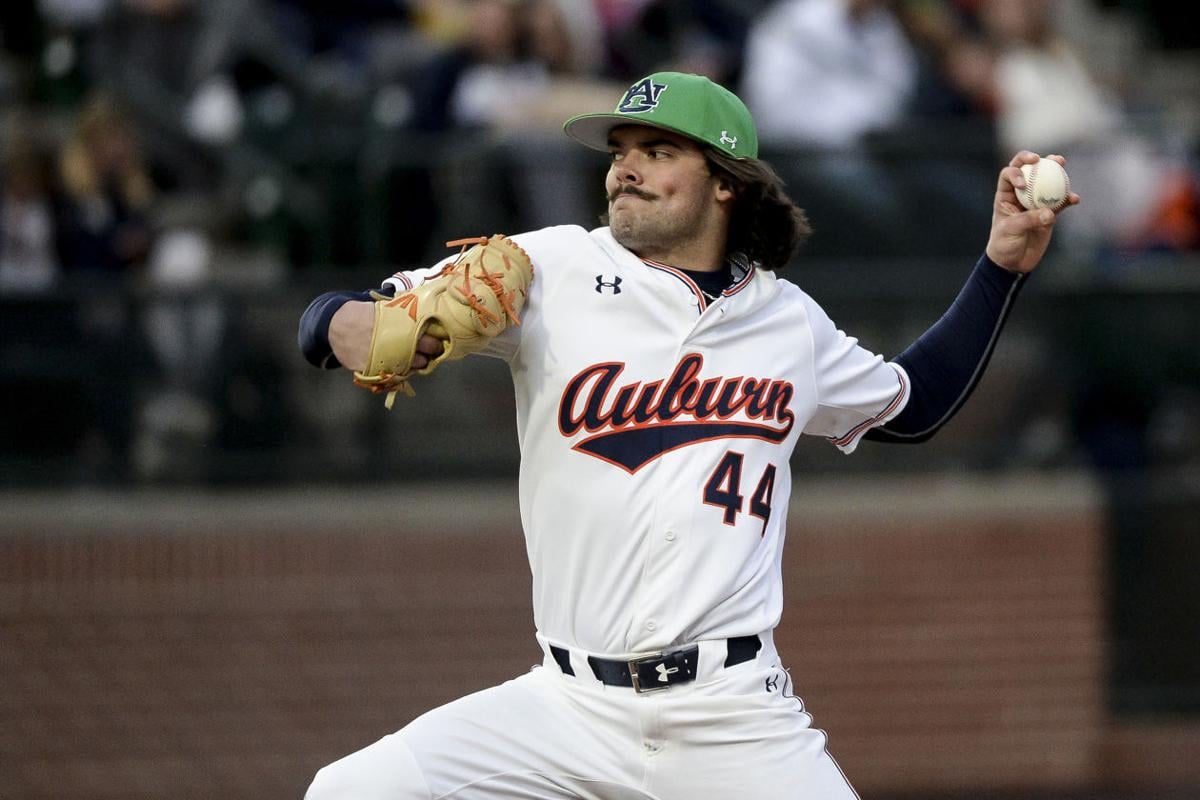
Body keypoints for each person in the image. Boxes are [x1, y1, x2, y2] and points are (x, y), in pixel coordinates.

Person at [298, 71, 1078, 799]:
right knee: (347, 791)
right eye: (618, 152)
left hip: (734, 713)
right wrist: (347, 324)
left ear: (727, 183)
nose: (624, 170)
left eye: (658, 151)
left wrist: (1001, 265)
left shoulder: (787, 320)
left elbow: (913, 405)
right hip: (567, 709)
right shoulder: (554, 265)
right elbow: (349, 317)